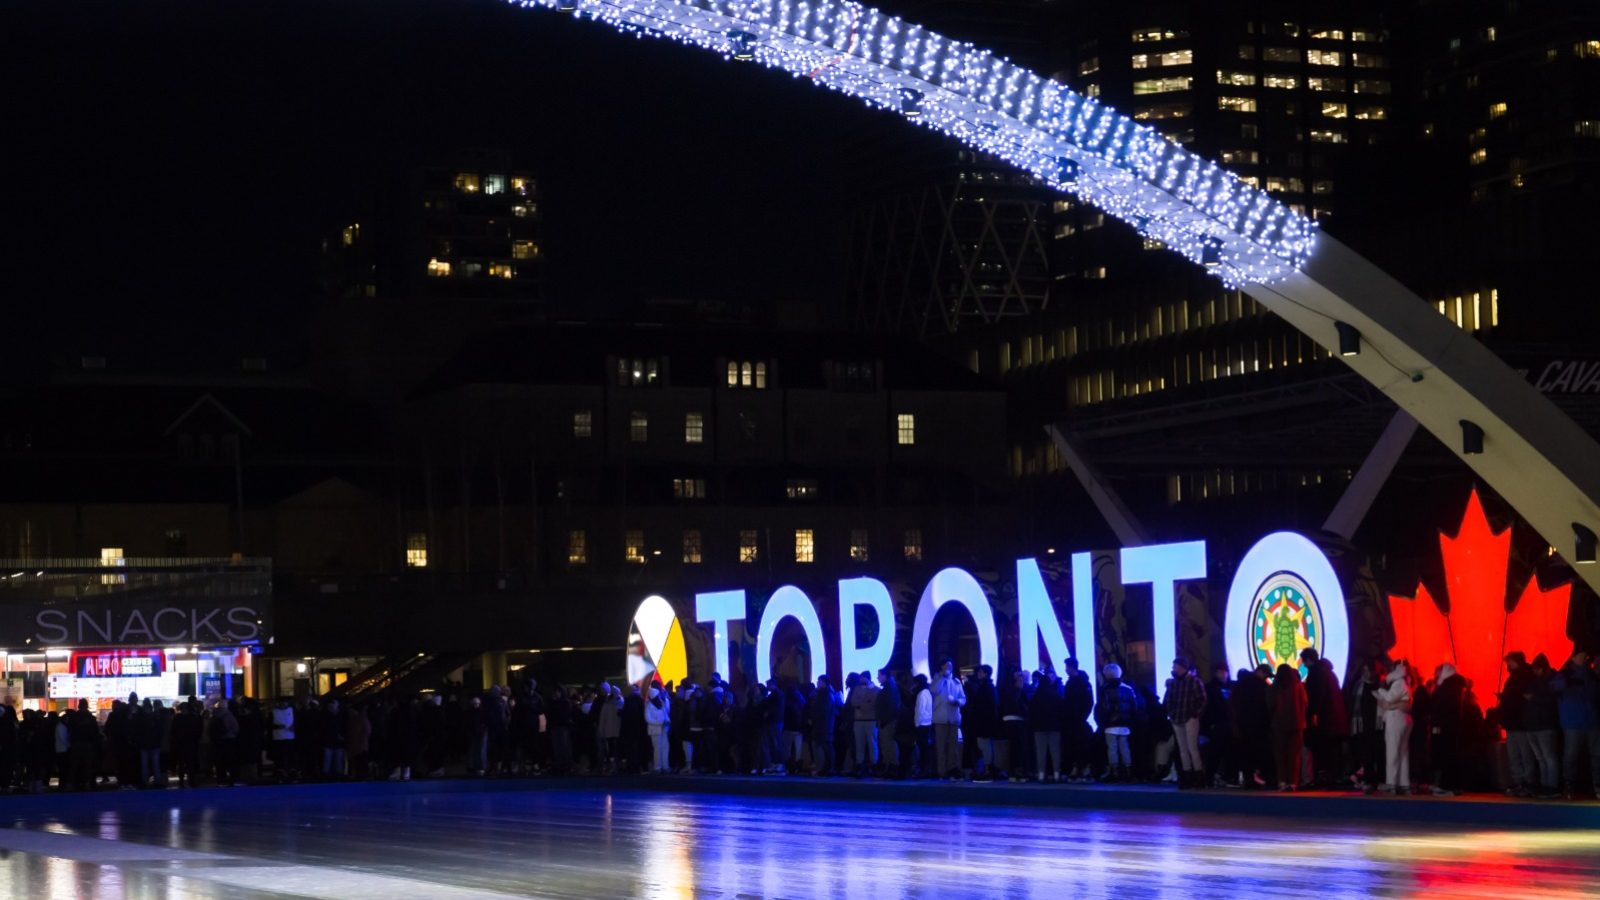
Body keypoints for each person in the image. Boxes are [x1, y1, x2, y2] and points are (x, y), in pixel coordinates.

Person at [1551, 649, 1600, 799]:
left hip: (1588, 721)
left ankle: (1592, 785)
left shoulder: (1590, 674)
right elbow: (1554, 686)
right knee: (1572, 756)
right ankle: (1570, 785)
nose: (1584, 657)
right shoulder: (1567, 673)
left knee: (1594, 755)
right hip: (1577, 722)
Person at [1163, 656, 1208, 789]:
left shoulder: (1194, 681)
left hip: (1188, 717)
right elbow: (1168, 700)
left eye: (1175, 666)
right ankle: (1189, 775)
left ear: (1181, 667)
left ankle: (1196, 776)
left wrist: (1195, 714)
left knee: (1191, 748)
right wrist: (1171, 713)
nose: (1173, 668)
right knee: (1184, 749)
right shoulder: (1175, 683)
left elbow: (1202, 700)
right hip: (1178, 717)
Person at [1374, 660, 1413, 794]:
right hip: (1404, 719)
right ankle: (1403, 783)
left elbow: (1390, 698)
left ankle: (1391, 783)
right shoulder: (1406, 683)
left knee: (1392, 751)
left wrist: (1379, 690)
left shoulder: (1398, 683)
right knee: (1402, 752)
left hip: (1396, 718)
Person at [1429, 663, 1469, 796]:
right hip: (1451, 726)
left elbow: (1441, 707)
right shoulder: (1456, 686)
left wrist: (1437, 723)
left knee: (1446, 755)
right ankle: (1452, 785)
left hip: (1445, 727)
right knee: (1451, 754)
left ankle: (1447, 785)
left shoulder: (1447, 686)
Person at [1095, 664, 1138, 783]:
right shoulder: (1128, 689)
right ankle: (1128, 771)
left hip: (1110, 724)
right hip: (1125, 723)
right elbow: (1134, 707)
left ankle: (1114, 772)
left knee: (1112, 748)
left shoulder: (1105, 689)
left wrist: (1102, 721)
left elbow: (1103, 708)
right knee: (1125, 747)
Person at [1500, 651, 1535, 796]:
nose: (1507, 664)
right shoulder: (1523, 675)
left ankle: (1525, 782)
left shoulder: (1521, 676)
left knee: (1521, 754)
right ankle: (1522, 782)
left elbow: (1520, 698)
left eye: (1509, 661)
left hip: (1519, 722)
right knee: (1518, 754)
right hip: (1515, 722)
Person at [1232, 666, 1272, 788]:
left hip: (1242, 724)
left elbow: (1233, 704)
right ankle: (1258, 777)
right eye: (1266, 675)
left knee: (1246, 752)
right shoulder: (1260, 686)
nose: (1266, 678)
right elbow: (1264, 705)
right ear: (1261, 672)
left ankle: (1248, 778)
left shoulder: (1240, 685)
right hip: (1258, 725)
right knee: (1258, 752)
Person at [1347, 661, 1384, 792]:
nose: (1366, 673)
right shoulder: (1359, 685)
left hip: (1374, 724)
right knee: (1364, 753)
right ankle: (1366, 778)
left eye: (1368, 670)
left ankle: (1374, 779)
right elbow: (1353, 703)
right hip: (1360, 723)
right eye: (1365, 670)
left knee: (1375, 753)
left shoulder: (1378, 685)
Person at [1271, 663, 1307, 791]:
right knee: (1294, 755)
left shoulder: (1275, 687)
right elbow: (1305, 703)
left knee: (1281, 755)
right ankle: (1293, 782)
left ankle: (1282, 781)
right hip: (1297, 724)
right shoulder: (1299, 686)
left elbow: (1270, 705)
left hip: (1279, 724)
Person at [931, 660, 966, 779]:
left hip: (953, 718)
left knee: (953, 746)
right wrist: (942, 677)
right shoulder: (936, 679)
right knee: (941, 746)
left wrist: (958, 702)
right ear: (942, 666)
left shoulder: (956, 682)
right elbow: (934, 690)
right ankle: (942, 771)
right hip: (940, 719)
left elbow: (963, 698)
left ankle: (953, 768)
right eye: (946, 665)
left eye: (950, 665)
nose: (948, 667)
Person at [965, 665, 999, 781]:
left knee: (984, 746)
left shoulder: (984, 687)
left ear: (984, 673)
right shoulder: (989, 686)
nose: (978, 674)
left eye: (980, 672)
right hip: (987, 722)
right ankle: (988, 769)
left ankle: (987, 770)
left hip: (983, 722)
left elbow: (982, 705)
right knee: (986, 745)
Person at [1202, 664, 1234, 788]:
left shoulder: (1232, 686)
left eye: (1223, 672)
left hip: (1230, 724)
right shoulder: (1210, 688)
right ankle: (1210, 777)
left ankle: (1227, 777)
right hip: (1217, 724)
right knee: (1214, 753)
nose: (1221, 674)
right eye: (1219, 672)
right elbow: (1208, 708)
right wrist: (1208, 725)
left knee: (1228, 752)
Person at [1031, 670, 1064, 782]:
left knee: (1041, 752)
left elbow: (1032, 713)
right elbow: (1061, 711)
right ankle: (1056, 774)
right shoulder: (1056, 696)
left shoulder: (1036, 696)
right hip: (1054, 727)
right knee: (1055, 752)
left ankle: (1041, 774)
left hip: (1039, 728)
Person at [999, 669, 1030, 782]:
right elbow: (1024, 705)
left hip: (1011, 721)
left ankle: (1014, 771)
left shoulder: (1009, 689)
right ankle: (1019, 771)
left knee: (1014, 748)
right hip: (1019, 721)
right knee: (1019, 748)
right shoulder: (1021, 690)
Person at [808, 675, 842, 775]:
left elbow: (822, 709)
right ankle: (826, 767)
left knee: (826, 746)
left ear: (824, 682)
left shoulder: (825, 694)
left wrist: (813, 717)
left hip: (824, 724)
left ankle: (828, 768)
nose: (817, 683)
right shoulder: (824, 693)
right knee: (826, 746)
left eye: (819, 681)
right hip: (824, 723)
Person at [847, 671, 878, 777]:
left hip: (871, 721)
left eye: (863, 678)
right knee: (859, 744)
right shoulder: (856, 689)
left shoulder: (876, 689)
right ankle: (860, 766)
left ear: (867, 678)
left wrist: (861, 705)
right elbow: (853, 702)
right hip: (858, 721)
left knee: (872, 744)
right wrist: (866, 703)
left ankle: (874, 766)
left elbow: (873, 703)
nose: (861, 680)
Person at [875, 669, 902, 776]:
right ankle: (890, 765)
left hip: (888, 721)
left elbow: (891, 706)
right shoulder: (889, 687)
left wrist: (884, 720)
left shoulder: (889, 688)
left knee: (888, 744)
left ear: (885, 676)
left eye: (879, 675)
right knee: (887, 745)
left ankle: (892, 766)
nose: (877, 678)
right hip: (886, 720)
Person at [911, 673, 934, 778]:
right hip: (927, 723)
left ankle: (923, 769)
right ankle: (926, 769)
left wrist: (916, 724)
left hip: (921, 724)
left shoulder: (921, 694)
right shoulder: (928, 692)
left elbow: (920, 710)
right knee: (925, 748)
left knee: (922, 748)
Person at [644, 685, 670, 773]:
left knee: (665, 747)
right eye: (658, 695)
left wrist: (667, 721)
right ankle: (657, 767)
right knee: (657, 748)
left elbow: (665, 714)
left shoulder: (661, 703)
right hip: (655, 730)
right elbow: (648, 719)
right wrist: (660, 722)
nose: (660, 696)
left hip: (663, 729)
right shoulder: (649, 706)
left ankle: (665, 766)